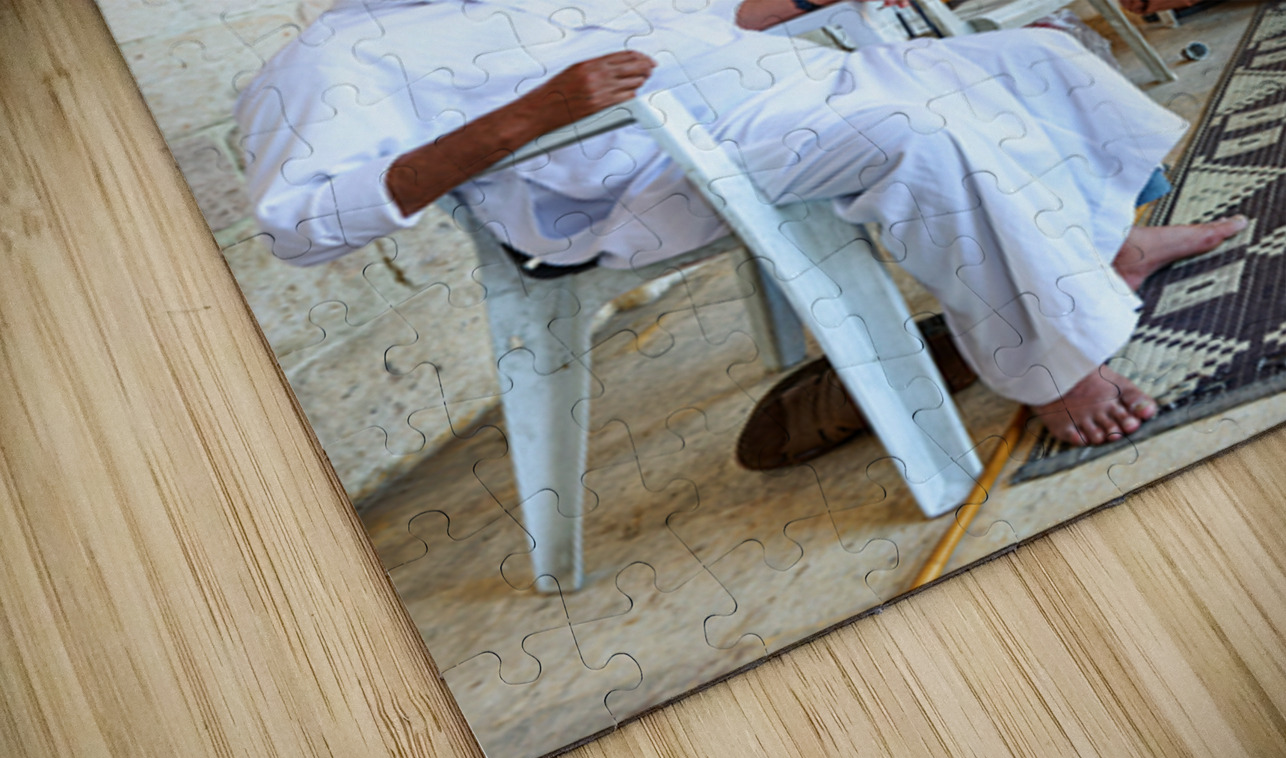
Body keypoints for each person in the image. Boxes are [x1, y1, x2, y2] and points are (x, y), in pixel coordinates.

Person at [235, 0, 1245, 449]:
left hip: (781, 94)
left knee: (1032, 56)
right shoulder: (329, 61)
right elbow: (301, 225)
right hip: (656, 175)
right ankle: (1052, 368)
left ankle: (1103, 244)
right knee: (918, 137)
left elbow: (705, 18)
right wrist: (527, 116)